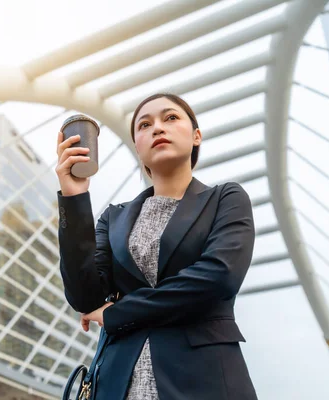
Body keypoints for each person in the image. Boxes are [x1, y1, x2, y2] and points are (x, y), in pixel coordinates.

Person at [55, 93, 258, 400]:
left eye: (171, 118)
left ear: (196, 136)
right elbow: (85, 296)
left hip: (205, 380)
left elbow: (218, 277)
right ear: (137, 146)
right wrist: (74, 197)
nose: (157, 128)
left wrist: (118, 313)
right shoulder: (114, 218)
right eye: (145, 124)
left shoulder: (225, 199)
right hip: (116, 383)